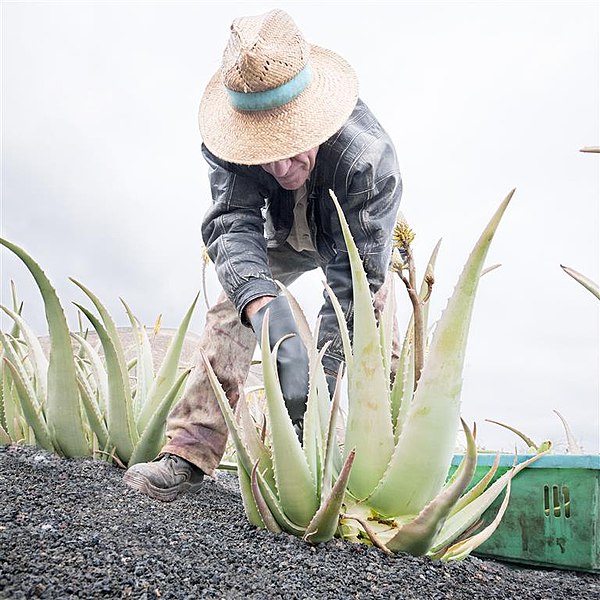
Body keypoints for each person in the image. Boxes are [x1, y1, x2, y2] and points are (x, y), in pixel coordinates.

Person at [124, 9, 402, 501]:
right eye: (264, 149)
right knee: (233, 304)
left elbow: (353, 285)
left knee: (377, 331)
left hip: (349, 240)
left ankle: (380, 473)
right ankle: (190, 450)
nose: (280, 165)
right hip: (280, 233)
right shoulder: (228, 141)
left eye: (294, 145)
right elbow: (232, 226)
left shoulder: (367, 161)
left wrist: (321, 381)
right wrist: (265, 309)